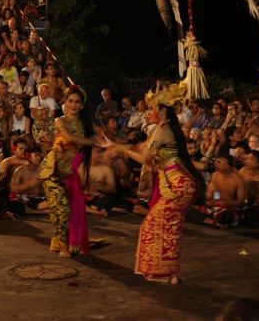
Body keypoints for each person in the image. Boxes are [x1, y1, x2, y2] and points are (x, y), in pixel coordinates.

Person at [103, 94, 203, 284]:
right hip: (177, 185)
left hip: (178, 185)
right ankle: (170, 274)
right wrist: (116, 145)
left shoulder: (162, 131)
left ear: (163, 111)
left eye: (153, 108)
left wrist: (118, 147)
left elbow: (144, 158)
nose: (149, 112)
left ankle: (163, 273)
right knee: (168, 227)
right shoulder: (161, 130)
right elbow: (141, 149)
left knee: (153, 226)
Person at [39, 86, 101, 256]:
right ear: (64, 103)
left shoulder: (86, 123)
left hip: (69, 171)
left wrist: (116, 142)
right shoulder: (60, 121)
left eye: (77, 102)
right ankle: (63, 245)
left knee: (77, 208)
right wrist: (94, 142)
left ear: (82, 105)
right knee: (61, 208)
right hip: (52, 171)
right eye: (70, 101)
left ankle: (71, 241)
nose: (73, 104)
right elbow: (69, 138)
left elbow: (103, 133)